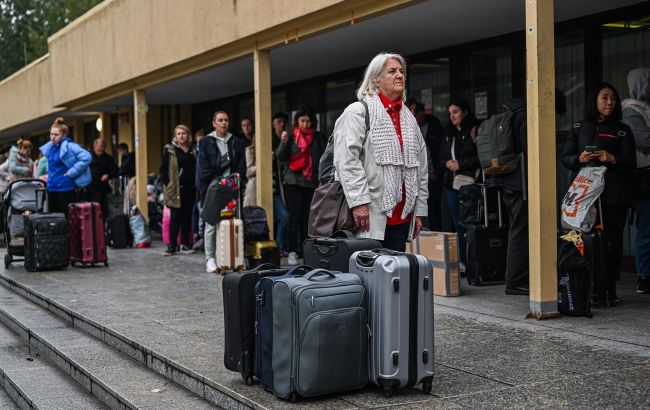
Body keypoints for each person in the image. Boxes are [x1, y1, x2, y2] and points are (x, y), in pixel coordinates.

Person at [333, 52, 429, 251]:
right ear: (375, 79)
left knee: (394, 276)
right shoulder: (357, 112)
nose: (400, 75)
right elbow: (346, 161)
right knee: (368, 276)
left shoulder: (409, 119)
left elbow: (421, 168)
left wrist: (419, 211)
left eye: (402, 71)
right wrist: (359, 203)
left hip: (402, 218)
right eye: (392, 71)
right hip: (368, 218)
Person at [562, 82, 636, 307]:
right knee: (580, 240)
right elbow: (566, 158)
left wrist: (612, 158)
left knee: (611, 243)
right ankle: (585, 287)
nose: (610, 103)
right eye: (604, 98)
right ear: (594, 100)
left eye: (613, 98)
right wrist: (579, 159)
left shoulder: (622, 129)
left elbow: (630, 162)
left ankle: (609, 290)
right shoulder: (578, 127)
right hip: (584, 196)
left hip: (613, 195)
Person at [487, 98, 530, 295]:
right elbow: (528, 148)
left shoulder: (509, 112)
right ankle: (516, 280)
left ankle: (516, 277)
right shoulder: (524, 113)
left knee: (516, 229)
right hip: (520, 181)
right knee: (520, 230)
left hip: (505, 179)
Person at [276, 106, 327, 264]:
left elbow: (323, 159)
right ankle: (292, 251)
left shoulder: (319, 138)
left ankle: (305, 251)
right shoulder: (291, 136)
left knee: (308, 219)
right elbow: (280, 157)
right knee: (294, 217)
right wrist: (283, 143)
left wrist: (322, 179)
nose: (305, 124)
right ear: (297, 121)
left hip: (311, 183)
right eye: (302, 121)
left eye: (308, 121)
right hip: (293, 182)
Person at [198, 111, 245, 273]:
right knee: (212, 222)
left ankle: (233, 255)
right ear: (214, 123)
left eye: (226, 120)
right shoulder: (205, 142)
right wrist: (218, 180)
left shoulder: (236, 141)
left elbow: (241, 164)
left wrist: (238, 175)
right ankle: (210, 258)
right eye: (220, 120)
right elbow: (203, 169)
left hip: (232, 188)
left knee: (233, 220)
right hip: (213, 188)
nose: (224, 123)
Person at [439, 98, 480, 265]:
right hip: (450, 183)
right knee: (456, 224)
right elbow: (440, 157)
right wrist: (446, 163)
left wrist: (460, 164)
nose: (452, 116)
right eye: (449, 113)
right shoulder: (449, 133)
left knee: (470, 223)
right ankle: (462, 260)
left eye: (455, 112)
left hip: (469, 184)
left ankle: (473, 261)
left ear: (465, 111)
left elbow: (481, 157)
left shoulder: (474, 130)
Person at [622, 68, 650, 294]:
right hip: (644, 177)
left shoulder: (645, 109)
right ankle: (644, 276)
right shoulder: (631, 111)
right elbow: (644, 140)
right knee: (646, 227)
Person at [40, 117, 92, 216]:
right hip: (51, 187)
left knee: (66, 218)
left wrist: (72, 172)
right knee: (54, 219)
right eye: (51, 134)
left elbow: (87, 157)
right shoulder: (50, 147)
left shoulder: (69, 146)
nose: (53, 137)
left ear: (63, 135)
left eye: (56, 134)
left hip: (65, 187)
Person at [160, 124, 196, 256]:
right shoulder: (171, 151)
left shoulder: (193, 151)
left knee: (187, 217)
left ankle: (185, 244)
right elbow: (163, 169)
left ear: (188, 135)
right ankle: (172, 246)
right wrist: (168, 184)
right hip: (176, 190)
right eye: (179, 134)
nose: (181, 136)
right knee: (175, 217)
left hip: (190, 189)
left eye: (184, 133)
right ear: (175, 136)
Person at [414, 103, 446, 231]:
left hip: (433, 176)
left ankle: (436, 239)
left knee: (433, 210)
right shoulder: (411, 127)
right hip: (417, 177)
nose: (412, 115)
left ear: (421, 113)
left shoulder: (434, 128)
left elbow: (431, 152)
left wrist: (435, 171)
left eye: (414, 111)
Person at [271, 112, 290, 256]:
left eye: (283, 121)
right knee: (283, 217)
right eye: (278, 121)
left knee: (285, 217)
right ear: (272, 124)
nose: (281, 124)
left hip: (284, 185)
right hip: (270, 187)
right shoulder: (269, 139)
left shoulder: (289, 138)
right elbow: (277, 158)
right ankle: (277, 247)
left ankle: (280, 247)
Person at [88, 138, 118, 217]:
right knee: (91, 210)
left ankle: (102, 227)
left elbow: (115, 170)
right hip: (90, 188)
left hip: (103, 188)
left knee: (104, 211)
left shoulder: (108, 158)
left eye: (104, 147)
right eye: (100, 146)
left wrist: (108, 175)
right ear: (95, 146)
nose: (102, 149)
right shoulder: (88, 157)